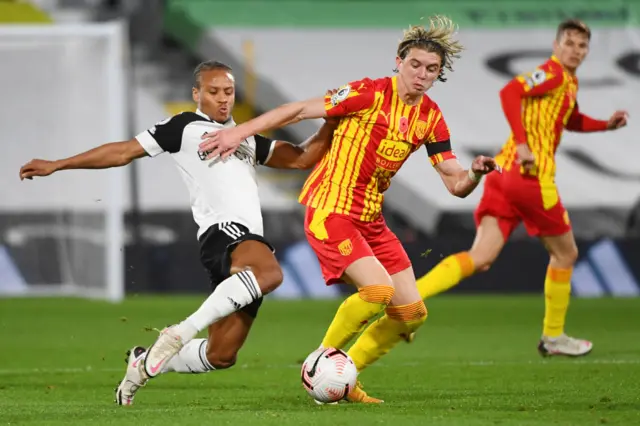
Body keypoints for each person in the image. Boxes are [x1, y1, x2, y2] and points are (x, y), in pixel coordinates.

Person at [198, 16, 499, 403]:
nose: (422, 75)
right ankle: (319, 364)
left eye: (432, 69)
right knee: (377, 290)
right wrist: (237, 132)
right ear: (399, 61)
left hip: (371, 221)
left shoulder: (430, 118)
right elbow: (297, 111)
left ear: (439, 74)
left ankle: (344, 375)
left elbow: (455, 183)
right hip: (331, 210)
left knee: (411, 314)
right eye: (415, 65)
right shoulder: (367, 93)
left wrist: (474, 174)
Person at [19, 60, 337, 405]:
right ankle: (180, 331)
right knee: (270, 272)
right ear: (196, 94)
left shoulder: (244, 138)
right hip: (223, 231)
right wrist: (58, 164)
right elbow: (124, 151)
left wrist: (334, 119)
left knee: (221, 355)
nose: (222, 99)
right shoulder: (185, 126)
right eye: (213, 92)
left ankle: (145, 360)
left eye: (228, 92)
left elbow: (303, 159)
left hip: (246, 244)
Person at [415, 19, 629, 356]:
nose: (575, 50)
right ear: (557, 45)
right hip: (530, 177)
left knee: (480, 257)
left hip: (502, 175)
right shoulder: (553, 73)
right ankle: (553, 336)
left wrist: (605, 125)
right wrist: (526, 143)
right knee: (566, 253)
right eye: (569, 43)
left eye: (582, 46)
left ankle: (409, 298)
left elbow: (570, 119)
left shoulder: (567, 82)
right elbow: (510, 90)